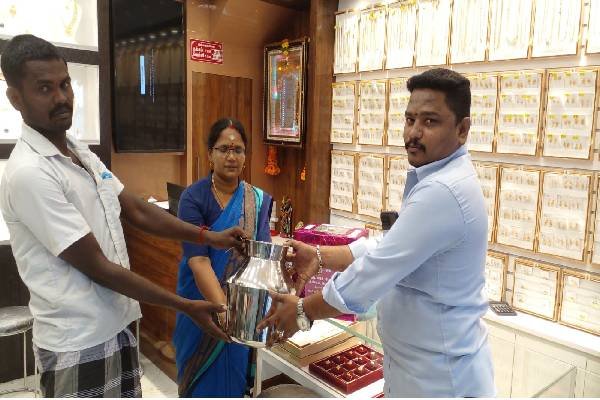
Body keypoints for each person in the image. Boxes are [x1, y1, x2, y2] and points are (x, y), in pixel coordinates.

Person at [0, 34, 244, 398]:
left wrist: (208, 236)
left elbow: (134, 209)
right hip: (77, 342)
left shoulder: (78, 150)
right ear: (15, 98)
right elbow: (98, 266)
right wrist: (184, 306)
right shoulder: (30, 173)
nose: (62, 97)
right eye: (45, 88)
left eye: (65, 84)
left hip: (117, 324)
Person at [259, 68, 496, 397]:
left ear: (462, 129)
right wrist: (320, 255)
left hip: (442, 382)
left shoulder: (444, 190)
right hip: (420, 372)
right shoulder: (436, 179)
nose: (414, 132)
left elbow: (375, 270)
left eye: (430, 121)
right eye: (410, 119)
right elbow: (389, 246)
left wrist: (302, 310)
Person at [172, 118, 273, 397]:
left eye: (238, 150)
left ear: (245, 155)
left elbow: (262, 258)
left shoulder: (256, 201)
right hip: (203, 308)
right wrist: (223, 311)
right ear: (210, 154)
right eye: (223, 149)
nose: (231, 156)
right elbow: (199, 261)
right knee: (200, 384)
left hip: (241, 311)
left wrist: (252, 313)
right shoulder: (193, 198)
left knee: (233, 382)